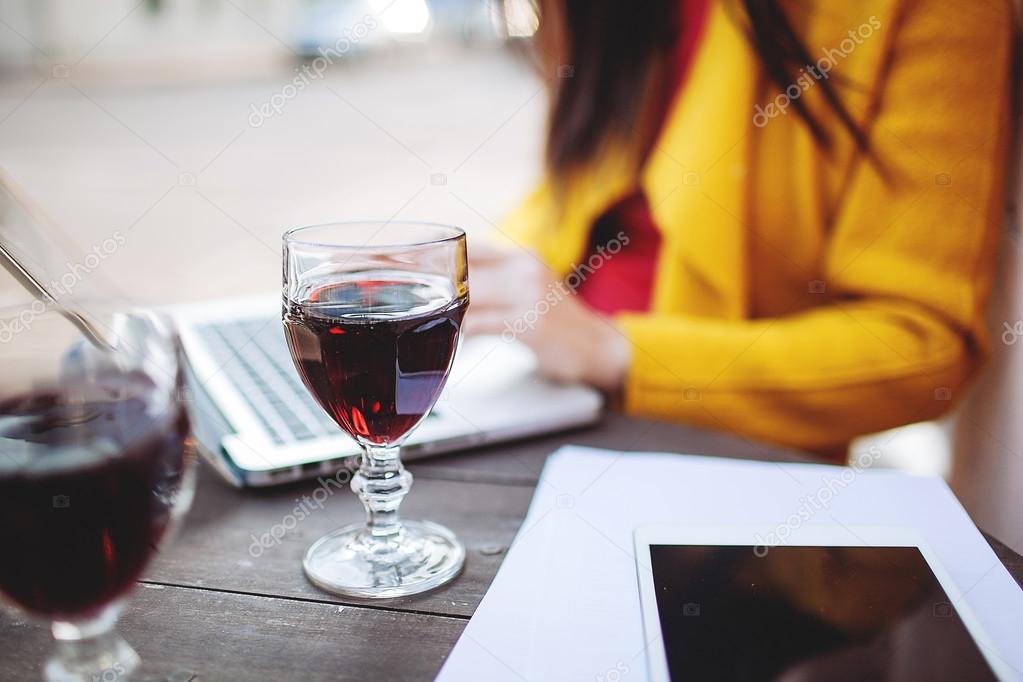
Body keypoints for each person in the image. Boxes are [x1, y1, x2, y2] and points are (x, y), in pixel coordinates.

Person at [465, 0, 1014, 461]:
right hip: (538, 399)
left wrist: (617, 352)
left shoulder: (928, 11)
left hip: (710, 459)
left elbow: (924, 345)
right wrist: (483, 274)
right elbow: (576, 194)